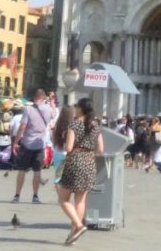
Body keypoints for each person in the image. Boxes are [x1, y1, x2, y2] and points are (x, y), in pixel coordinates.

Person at [53, 97, 104, 246]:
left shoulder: (74, 124)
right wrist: (90, 153)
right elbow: (100, 149)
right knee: (80, 200)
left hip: (74, 161)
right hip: (89, 162)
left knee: (63, 199)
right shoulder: (95, 126)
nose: (74, 108)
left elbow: (68, 148)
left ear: (80, 108)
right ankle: (73, 234)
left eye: (76, 106)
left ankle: (79, 226)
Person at [11, 88, 56, 204]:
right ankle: (35, 196)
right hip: (40, 144)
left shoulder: (28, 109)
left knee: (21, 170)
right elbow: (54, 113)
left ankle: (17, 195)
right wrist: (51, 100)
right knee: (37, 171)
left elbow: (22, 127)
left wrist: (16, 142)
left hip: (27, 144)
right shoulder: (48, 110)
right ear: (43, 97)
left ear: (35, 97)